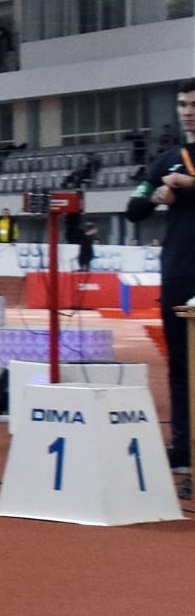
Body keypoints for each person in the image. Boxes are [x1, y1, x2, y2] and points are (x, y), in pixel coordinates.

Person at [126, 77, 195, 500]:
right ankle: (183, 445)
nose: (187, 111)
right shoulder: (166, 160)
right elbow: (133, 208)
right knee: (180, 366)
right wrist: (158, 197)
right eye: (183, 104)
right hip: (179, 272)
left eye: (193, 104)